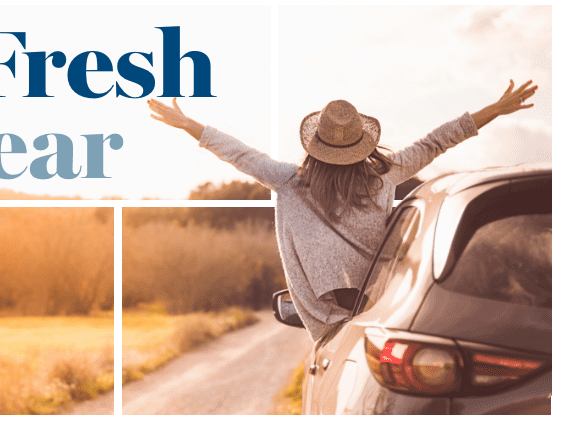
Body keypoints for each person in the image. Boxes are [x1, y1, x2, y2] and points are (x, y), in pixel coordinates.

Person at [147, 80, 538, 341]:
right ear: (362, 144)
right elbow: (438, 140)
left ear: (316, 145)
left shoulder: (289, 181)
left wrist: (189, 125)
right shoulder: (385, 176)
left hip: (333, 326)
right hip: (385, 313)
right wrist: (493, 109)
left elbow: (240, 154)